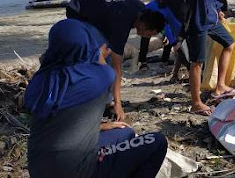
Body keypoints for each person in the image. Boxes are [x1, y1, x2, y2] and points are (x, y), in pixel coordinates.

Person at [25, 19, 167, 178]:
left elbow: (59, 123)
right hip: (80, 171)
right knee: (157, 142)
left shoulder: (39, 82)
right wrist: (100, 56)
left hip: (39, 169)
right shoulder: (101, 76)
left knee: (125, 132)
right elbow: (107, 70)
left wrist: (100, 126)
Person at [66, 0, 165, 121]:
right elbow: (116, 67)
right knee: (99, 56)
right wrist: (118, 104)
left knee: (104, 51)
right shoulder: (122, 23)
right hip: (78, 11)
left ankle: (105, 98)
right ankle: (101, 100)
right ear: (142, 26)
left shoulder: (143, 11)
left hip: (100, 12)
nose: (147, 37)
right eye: (149, 34)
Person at [138, 0, 182, 70]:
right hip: (148, 17)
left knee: (168, 38)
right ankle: (142, 62)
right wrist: (175, 44)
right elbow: (166, 26)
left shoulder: (174, 7)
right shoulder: (166, 8)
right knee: (146, 37)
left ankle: (165, 60)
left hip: (160, 17)